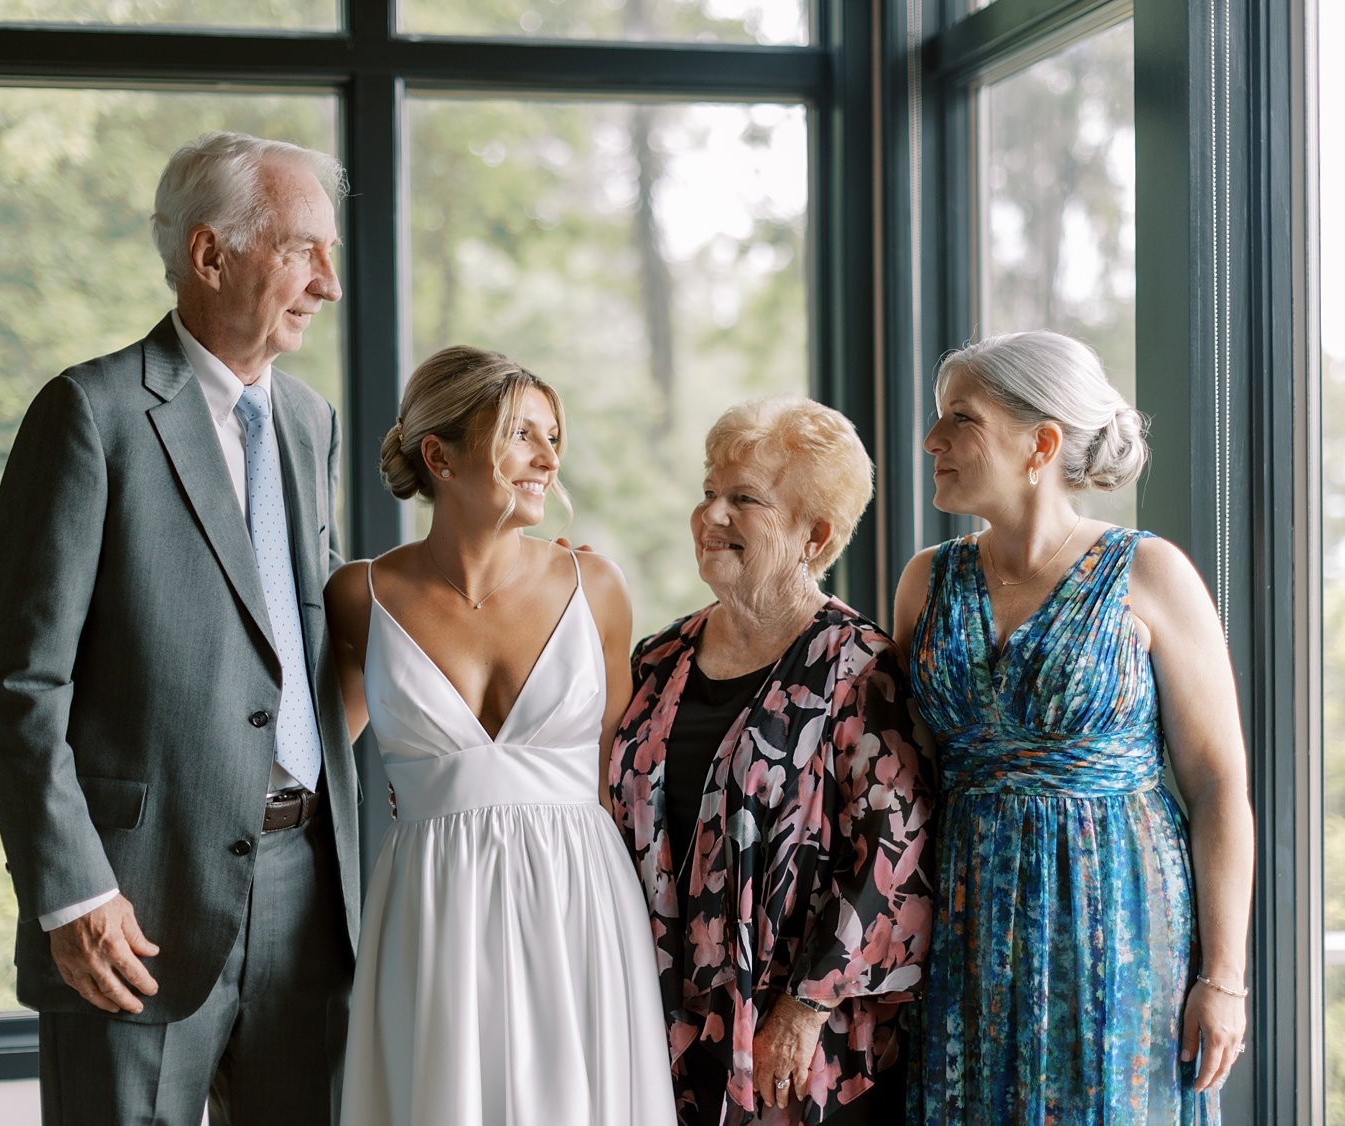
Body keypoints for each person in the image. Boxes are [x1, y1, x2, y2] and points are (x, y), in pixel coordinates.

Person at [0, 131, 359, 1125]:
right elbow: (19, 680)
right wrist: (72, 893)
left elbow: (298, 647)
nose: (331, 284)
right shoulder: (88, 414)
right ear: (210, 254)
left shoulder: (311, 423)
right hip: (130, 907)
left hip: (309, 897)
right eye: (305, 250)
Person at [894, 330, 1254, 1122]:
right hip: (965, 918)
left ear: (1041, 443)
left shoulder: (1148, 573)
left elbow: (1218, 783)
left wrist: (1223, 976)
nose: (932, 441)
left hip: (1119, 919)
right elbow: (904, 769)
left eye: (959, 418)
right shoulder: (927, 581)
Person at [325, 345, 676, 1126]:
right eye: (522, 434)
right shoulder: (361, 595)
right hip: (431, 901)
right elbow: (313, 761)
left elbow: (620, 774)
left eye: (554, 437)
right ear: (439, 457)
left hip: (578, 899)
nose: (548, 458)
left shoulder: (597, 586)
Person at [610, 395, 936, 1126]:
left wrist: (806, 1004)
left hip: (794, 1038)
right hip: (656, 1012)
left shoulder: (857, 665)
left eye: (744, 500)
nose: (711, 515)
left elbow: (900, 851)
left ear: (814, 535)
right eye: (708, 493)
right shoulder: (660, 658)